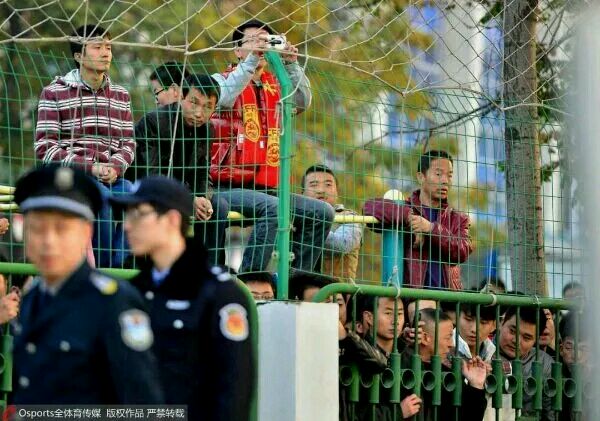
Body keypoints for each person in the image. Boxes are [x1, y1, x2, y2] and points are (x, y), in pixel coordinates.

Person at [11, 165, 163, 403]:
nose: (48, 241)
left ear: (86, 233)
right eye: (37, 229)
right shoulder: (33, 299)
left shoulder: (113, 302)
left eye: (62, 229)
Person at [110, 175, 255, 420]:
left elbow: (234, 391)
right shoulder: (130, 292)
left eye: (139, 214)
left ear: (172, 220)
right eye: (127, 214)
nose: (127, 225)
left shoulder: (220, 294)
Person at [211, 19, 333, 274]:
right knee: (274, 208)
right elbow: (225, 97)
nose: (262, 46)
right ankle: (251, 281)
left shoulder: (277, 85)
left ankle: (297, 281)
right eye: (254, 41)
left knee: (321, 212)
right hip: (225, 186)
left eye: (266, 41)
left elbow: (302, 102)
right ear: (237, 50)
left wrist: (291, 64)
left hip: (268, 187)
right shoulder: (220, 80)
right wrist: (252, 60)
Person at [34, 24, 134, 267]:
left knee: (138, 198)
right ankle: (103, 270)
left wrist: (115, 167)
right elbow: (45, 148)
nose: (106, 53)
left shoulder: (121, 95)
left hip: (111, 176)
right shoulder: (54, 92)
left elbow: (128, 143)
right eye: (97, 47)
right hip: (72, 177)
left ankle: (117, 264)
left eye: (108, 47)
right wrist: (91, 167)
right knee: (101, 197)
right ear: (78, 56)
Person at [134, 73, 228, 264]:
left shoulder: (207, 129)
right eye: (194, 102)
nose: (199, 113)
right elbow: (151, 174)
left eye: (208, 107)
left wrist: (202, 197)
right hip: (149, 190)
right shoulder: (154, 122)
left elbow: (202, 171)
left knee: (218, 206)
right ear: (181, 97)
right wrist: (189, 198)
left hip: (183, 193)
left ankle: (208, 269)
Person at [364, 150, 473, 290]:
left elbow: (462, 250)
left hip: (449, 299)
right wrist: (410, 218)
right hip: (413, 297)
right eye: (438, 174)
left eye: (449, 175)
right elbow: (369, 207)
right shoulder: (406, 208)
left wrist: (430, 228)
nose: (445, 180)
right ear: (421, 177)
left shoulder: (458, 218)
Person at [408, 308, 488, 421]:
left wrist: (476, 386)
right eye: (448, 337)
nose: (451, 344)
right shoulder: (402, 369)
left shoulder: (449, 376)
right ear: (425, 338)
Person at [353, 295, 422, 420]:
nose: (396, 321)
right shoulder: (358, 356)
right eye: (388, 313)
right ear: (369, 317)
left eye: (399, 314)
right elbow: (355, 412)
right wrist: (397, 412)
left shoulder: (410, 356)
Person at [301, 164, 363, 281]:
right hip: (297, 288)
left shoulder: (350, 218)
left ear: (337, 192)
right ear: (302, 194)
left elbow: (341, 245)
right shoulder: (290, 217)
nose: (321, 190)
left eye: (328, 185)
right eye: (313, 185)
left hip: (336, 289)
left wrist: (307, 225)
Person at [497, 306, 555, 420]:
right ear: (501, 323)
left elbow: (550, 414)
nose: (516, 341)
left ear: (536, 339)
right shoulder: (484, 352)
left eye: (526, 337)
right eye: (512, 331)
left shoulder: (545, 363)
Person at [558, 311, 589, 421]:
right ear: (561, 349)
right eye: (569, 348)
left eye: (583, 349)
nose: (576, 356)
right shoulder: (555, 378)